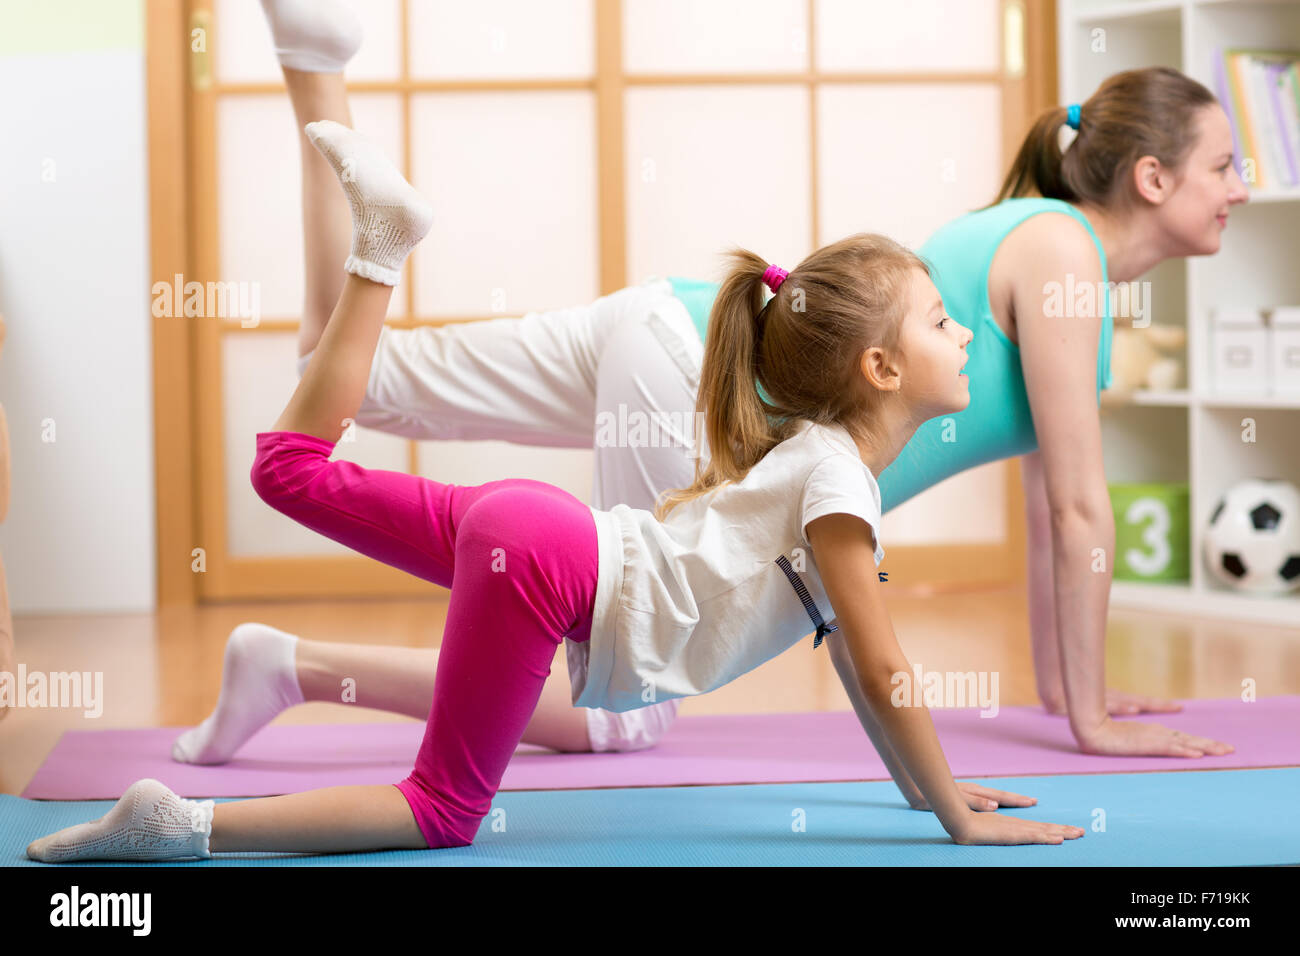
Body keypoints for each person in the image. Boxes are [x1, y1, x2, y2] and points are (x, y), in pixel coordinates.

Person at [178, 2, 1240, 761]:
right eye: (1224, 166)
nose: (1240, 188)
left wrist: (1066, 694)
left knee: (347, 371)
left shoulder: (1031, 236)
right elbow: (1075, 501)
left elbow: (1048, 504)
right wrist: (1090, 722)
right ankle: (292, 665)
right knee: (619, 707)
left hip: (668, 324)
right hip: (692, 375)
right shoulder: (1064, 255)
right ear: (1151, 179)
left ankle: (314, 64)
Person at [27, 119, 1085, 860]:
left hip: (541, 533)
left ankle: (381, 252)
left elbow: (863, 660)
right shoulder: (837, 476)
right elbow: (885, 657)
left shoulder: (817, 462)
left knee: (285, 468)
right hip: (549, 563)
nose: (966, 336)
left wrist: (925, 790)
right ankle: (182, 830)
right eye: (946, 324)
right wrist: (956, 816)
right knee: (441, 809)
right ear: (881, 371)